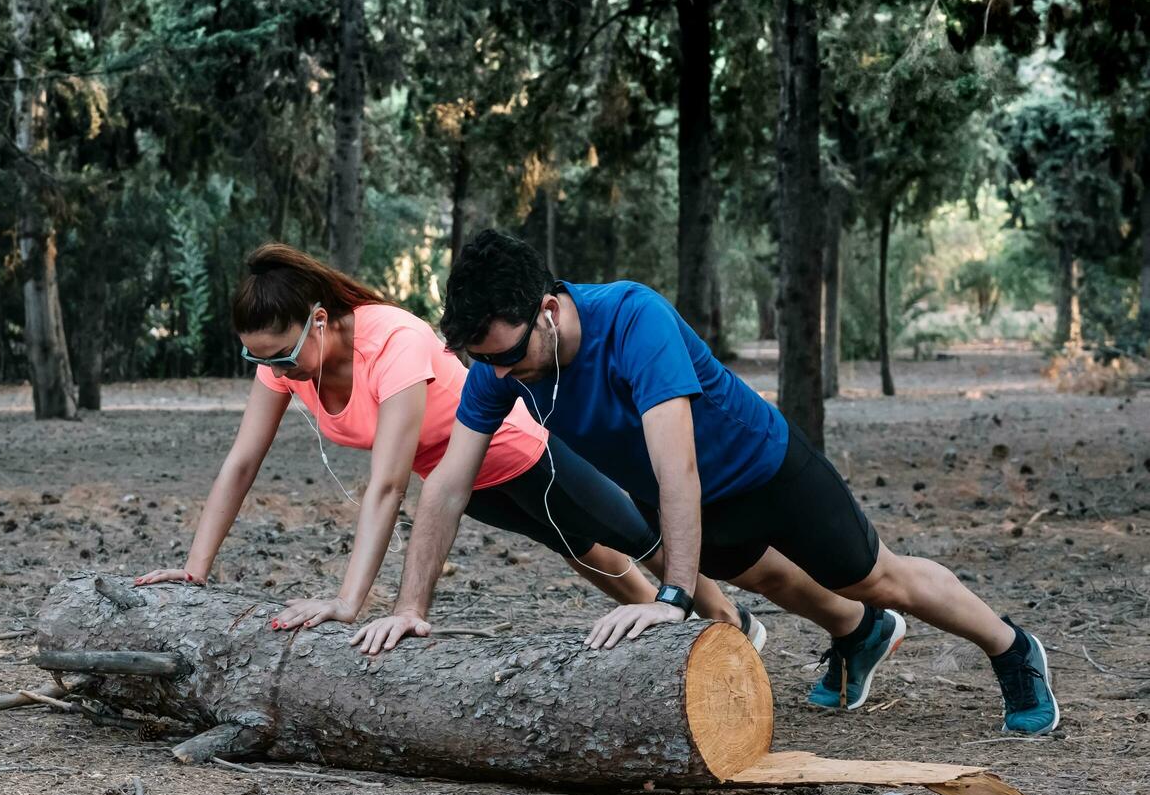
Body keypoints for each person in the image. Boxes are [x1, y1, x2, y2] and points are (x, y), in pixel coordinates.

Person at [357, 230, 1059, 735]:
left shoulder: (634, 319)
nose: (501, 375)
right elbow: (448, 483)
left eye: (509, 356)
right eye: (487, 362)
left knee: (876, 576)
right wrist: (412, 604)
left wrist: (672, 595)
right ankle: (862, 637)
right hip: (696, 508)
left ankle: (1012, 648)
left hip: (767, 472)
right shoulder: (497, 366)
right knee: (776, 584)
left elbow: (677, 464)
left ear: (545, 308)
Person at [135, 243, 760, 653]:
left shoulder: (395, 343)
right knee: (583, 552)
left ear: (319, 321)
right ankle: (675, 656)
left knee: (634, 539)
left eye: (281, 354)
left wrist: (348, 603)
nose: (273, 369)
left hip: (522, 452)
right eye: (258, 357)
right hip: (461, 481)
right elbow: (241, 462)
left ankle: (734, 627)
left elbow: (386, 485)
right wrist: (196, 569)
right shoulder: (285, 363)